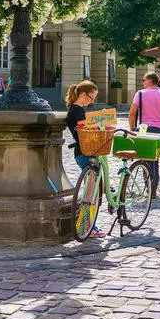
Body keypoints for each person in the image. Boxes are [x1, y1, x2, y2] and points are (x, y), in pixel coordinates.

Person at [65, 80, 104, 238]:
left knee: (91, 191)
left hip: (80, 152)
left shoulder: (73, 109)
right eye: (90, 97)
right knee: (91, 194)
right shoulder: (78, 111)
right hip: (86, 152)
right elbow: (85, 132)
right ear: (82, 95)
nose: (92, 101)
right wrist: (100, 124)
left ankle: (88, 226)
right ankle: (87, 227)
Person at [129, 72, 160, 197]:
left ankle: (150, 188)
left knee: (145, 158)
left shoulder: (140, 94)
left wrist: (131, 129)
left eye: (144, 80)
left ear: (149, 81)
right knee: (155, 159)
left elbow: (132, 112)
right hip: (159, 129)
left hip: (144, 129)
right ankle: (153, 189)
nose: (143, 83)